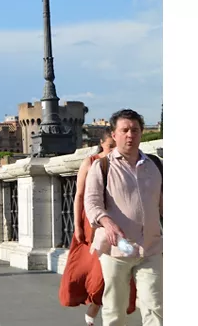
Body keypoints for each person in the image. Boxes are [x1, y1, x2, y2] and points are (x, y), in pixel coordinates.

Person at [85, 109, 162, 326]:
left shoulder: (155, 165)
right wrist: (107, 223)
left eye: (135, 130)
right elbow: (91, 202)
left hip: (151, 247)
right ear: (114, 134)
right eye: (125, 130)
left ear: (141, 133)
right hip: (116, 249)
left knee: (155, 306)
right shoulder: (102, 166)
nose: (130, 135)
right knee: (115, 309)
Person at [60, 127, 137, 325]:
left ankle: (97, 309)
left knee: (112, 271)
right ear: (102, 144)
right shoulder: (91, 162)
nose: (113, 149)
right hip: (92, 224)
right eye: (110, 146)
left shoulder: (123, 163)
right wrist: (77, 226)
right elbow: (79, 195)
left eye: (115, 146)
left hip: (118, 222)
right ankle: (96, 307)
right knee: (96, 271)